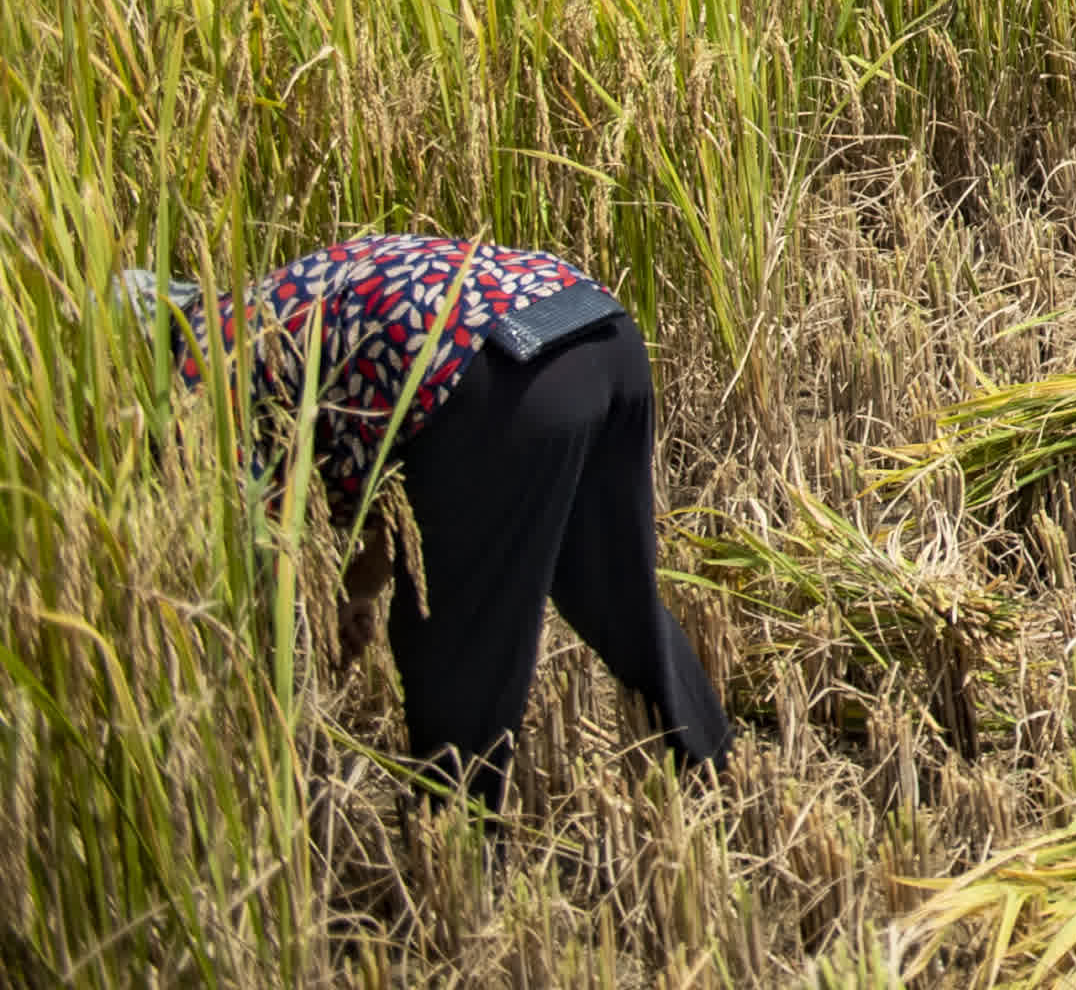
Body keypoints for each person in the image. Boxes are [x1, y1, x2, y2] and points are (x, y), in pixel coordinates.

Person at [141, 233, 731, 805]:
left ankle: (459, 852)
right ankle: (718, 772)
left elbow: (262, 556)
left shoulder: (200, 372)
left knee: (448, 639)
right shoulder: (271, 306)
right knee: (612, 592)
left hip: (499, 373)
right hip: (595, 326)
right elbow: (384, 470)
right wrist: (360, 590)